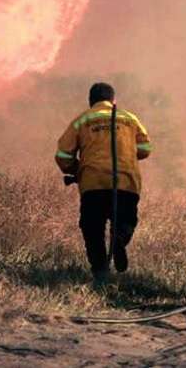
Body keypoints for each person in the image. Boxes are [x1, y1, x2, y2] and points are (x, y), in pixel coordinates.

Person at [55, 82, 152, 286]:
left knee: (93, 228)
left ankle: (100, 272)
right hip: (125, 181)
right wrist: (126, 155)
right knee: (125, 220)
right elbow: (145, 148)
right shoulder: (129, 118)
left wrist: (77, 169)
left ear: (91, 101)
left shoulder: (82, 120)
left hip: (93, 184)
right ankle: (119, 241)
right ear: (113, 100)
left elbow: (63, 155)